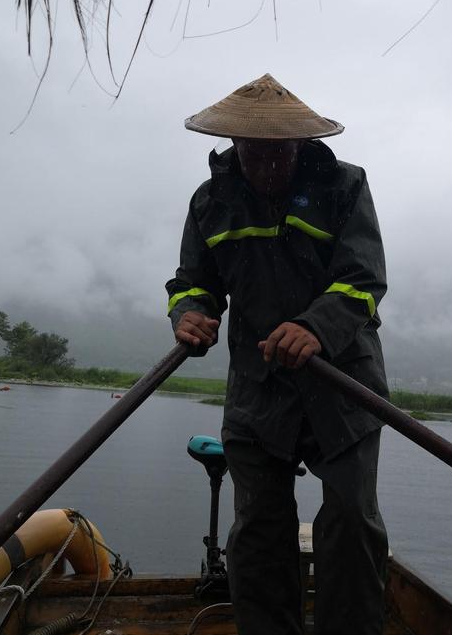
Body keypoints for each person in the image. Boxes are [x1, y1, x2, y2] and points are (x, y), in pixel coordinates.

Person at [166, 73, 389, 635]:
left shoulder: (344, 186)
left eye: (279, 152)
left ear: (299, 146)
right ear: (236, 146)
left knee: (351, 523)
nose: (266, 165)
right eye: (253, 152)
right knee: (258, 531)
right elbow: (194, 281)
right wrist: (189, 313)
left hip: (341, 383)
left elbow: (362, 280)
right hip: (258, 389)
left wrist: (315, 327)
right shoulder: (211, 201)